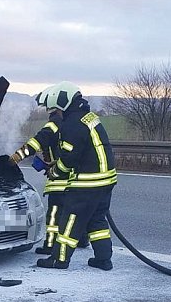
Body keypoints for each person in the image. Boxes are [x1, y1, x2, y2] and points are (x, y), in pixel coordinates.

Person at [35, 82, 117, 270]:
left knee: (70, 219)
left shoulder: (72, 124)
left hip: (89, 181)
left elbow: (69, 158)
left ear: (62, 103)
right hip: (106, 179)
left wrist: (55, 171)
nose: (54, 112)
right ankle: (104, 259)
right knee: (97, 220)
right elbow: (82, 150)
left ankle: (59, 260)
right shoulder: (88, 117)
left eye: (55, 108)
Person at [10, 98, 69, 255]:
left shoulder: (53, 124)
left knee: (54, 216)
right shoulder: (72, 124)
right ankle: (81, 240)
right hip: (74, 178)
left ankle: (50, 246)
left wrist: (16, 157)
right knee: (74, 211)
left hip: (59, 179)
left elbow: (35, 143)